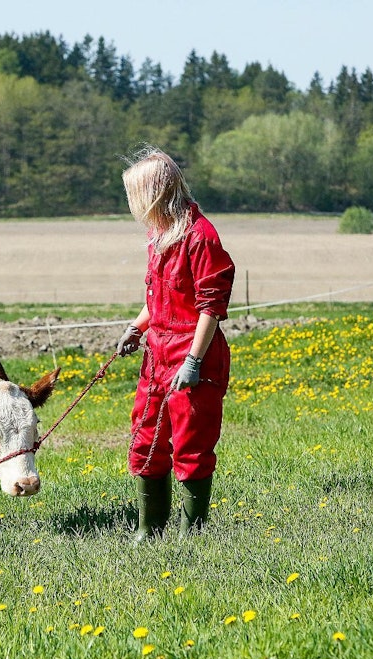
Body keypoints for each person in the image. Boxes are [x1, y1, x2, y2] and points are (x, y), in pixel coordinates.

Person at [117, 147, 235, 541]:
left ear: (154, 194)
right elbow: (161, 298)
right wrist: (136, 328)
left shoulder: (202, 237)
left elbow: (210, 307)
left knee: (191, 444)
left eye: (136, 196)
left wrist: (194, 361)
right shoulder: (160, 236)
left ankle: (191, 535)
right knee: (145, 439)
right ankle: (149, 530)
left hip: (192, 355)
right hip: (157, 354)